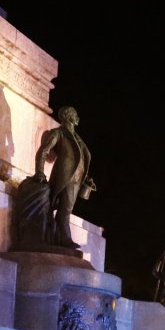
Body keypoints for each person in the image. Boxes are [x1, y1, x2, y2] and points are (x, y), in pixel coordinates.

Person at [33, 105, 94, 248]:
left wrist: (85, 177)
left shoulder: (77, 138)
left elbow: (80, 159)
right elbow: (43, 151)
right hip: (64, 175)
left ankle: (58, 237)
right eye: (74, 113)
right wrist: (39, 172)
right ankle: (64, 239)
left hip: (77, 179)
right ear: (67, 116)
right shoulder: (58, 133)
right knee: (64, 208)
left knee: (67, 208)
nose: (77, 116)